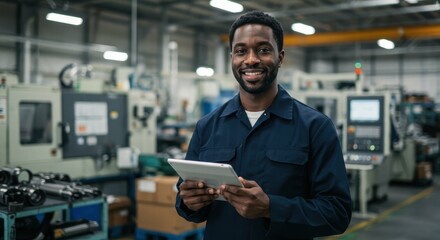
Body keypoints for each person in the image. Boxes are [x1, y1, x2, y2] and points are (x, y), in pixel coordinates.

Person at [175, 10, 352, 239]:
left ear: (280, 57)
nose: (251, 59)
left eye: (263, 50)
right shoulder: (206, 127)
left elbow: (337, 213)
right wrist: (189, 202)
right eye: (241, 51)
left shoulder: (315, 127)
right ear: (232, 58)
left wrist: (271, 208)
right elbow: (187, 203)